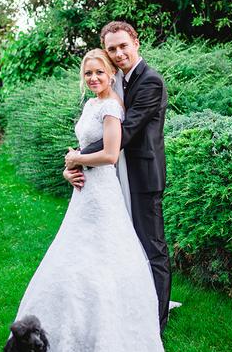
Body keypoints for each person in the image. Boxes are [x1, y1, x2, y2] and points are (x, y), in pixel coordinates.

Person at [11, 49, 167, 352]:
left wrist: (76, 158)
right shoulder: (90, 105)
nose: (93, 78)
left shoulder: (111, 108)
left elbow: (110, 154)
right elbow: (83, 149)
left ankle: (106, 335)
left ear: (111, 74)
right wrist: (70, 169)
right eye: (88, 73)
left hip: (102, 194)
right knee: (74, 256)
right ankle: (66, 330)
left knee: (103, 258)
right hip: (83, 193)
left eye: (99, 72)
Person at [64, 22, 172, 334]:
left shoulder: (150, 81)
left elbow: (125, 131)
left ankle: (157, 321)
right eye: (112, 48)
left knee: (153, 248)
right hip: (114, 176)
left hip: (143, 175)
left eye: (123, 45)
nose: (119, 52)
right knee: (124, 244)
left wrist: (77, 158)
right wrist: (75, 162)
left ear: (136, 42)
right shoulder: (118, 81)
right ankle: (130, 303)